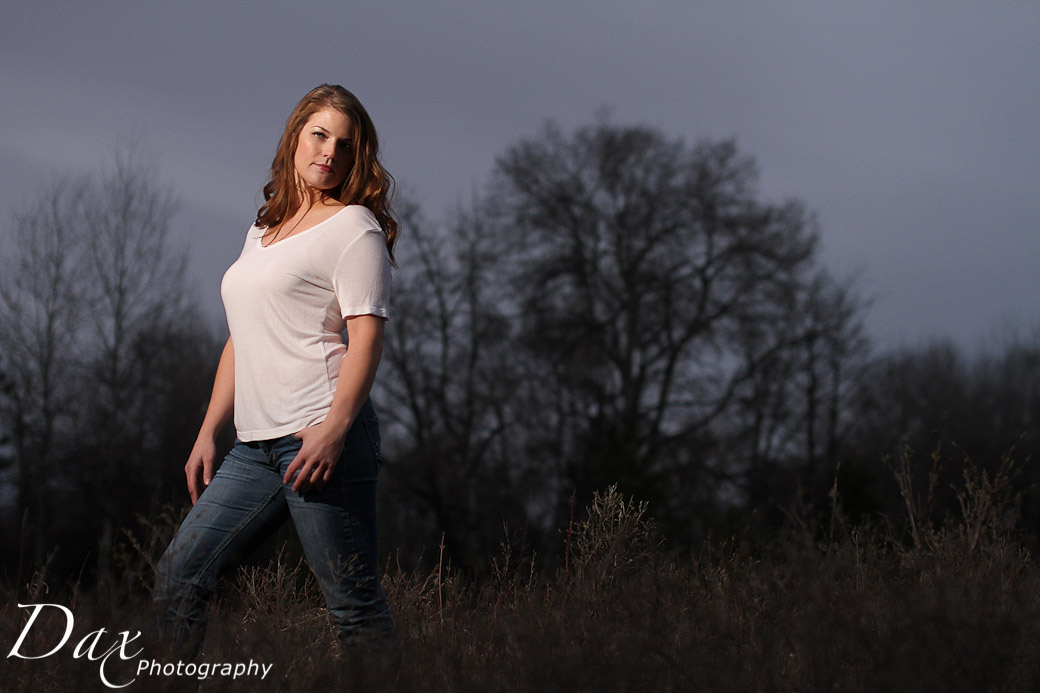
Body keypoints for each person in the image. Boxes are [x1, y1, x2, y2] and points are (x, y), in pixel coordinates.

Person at [153, 84, 397, 650]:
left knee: (354, 610)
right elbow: (242, 339)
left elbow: (366, 339)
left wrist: (335, 430)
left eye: (345, 144)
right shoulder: (262, 231)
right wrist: (208, 432)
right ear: (295, 137)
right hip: (254, 447)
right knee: (176, 579)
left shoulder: (354, 228)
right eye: (320, 135)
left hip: (320, 435)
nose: (330, 151)